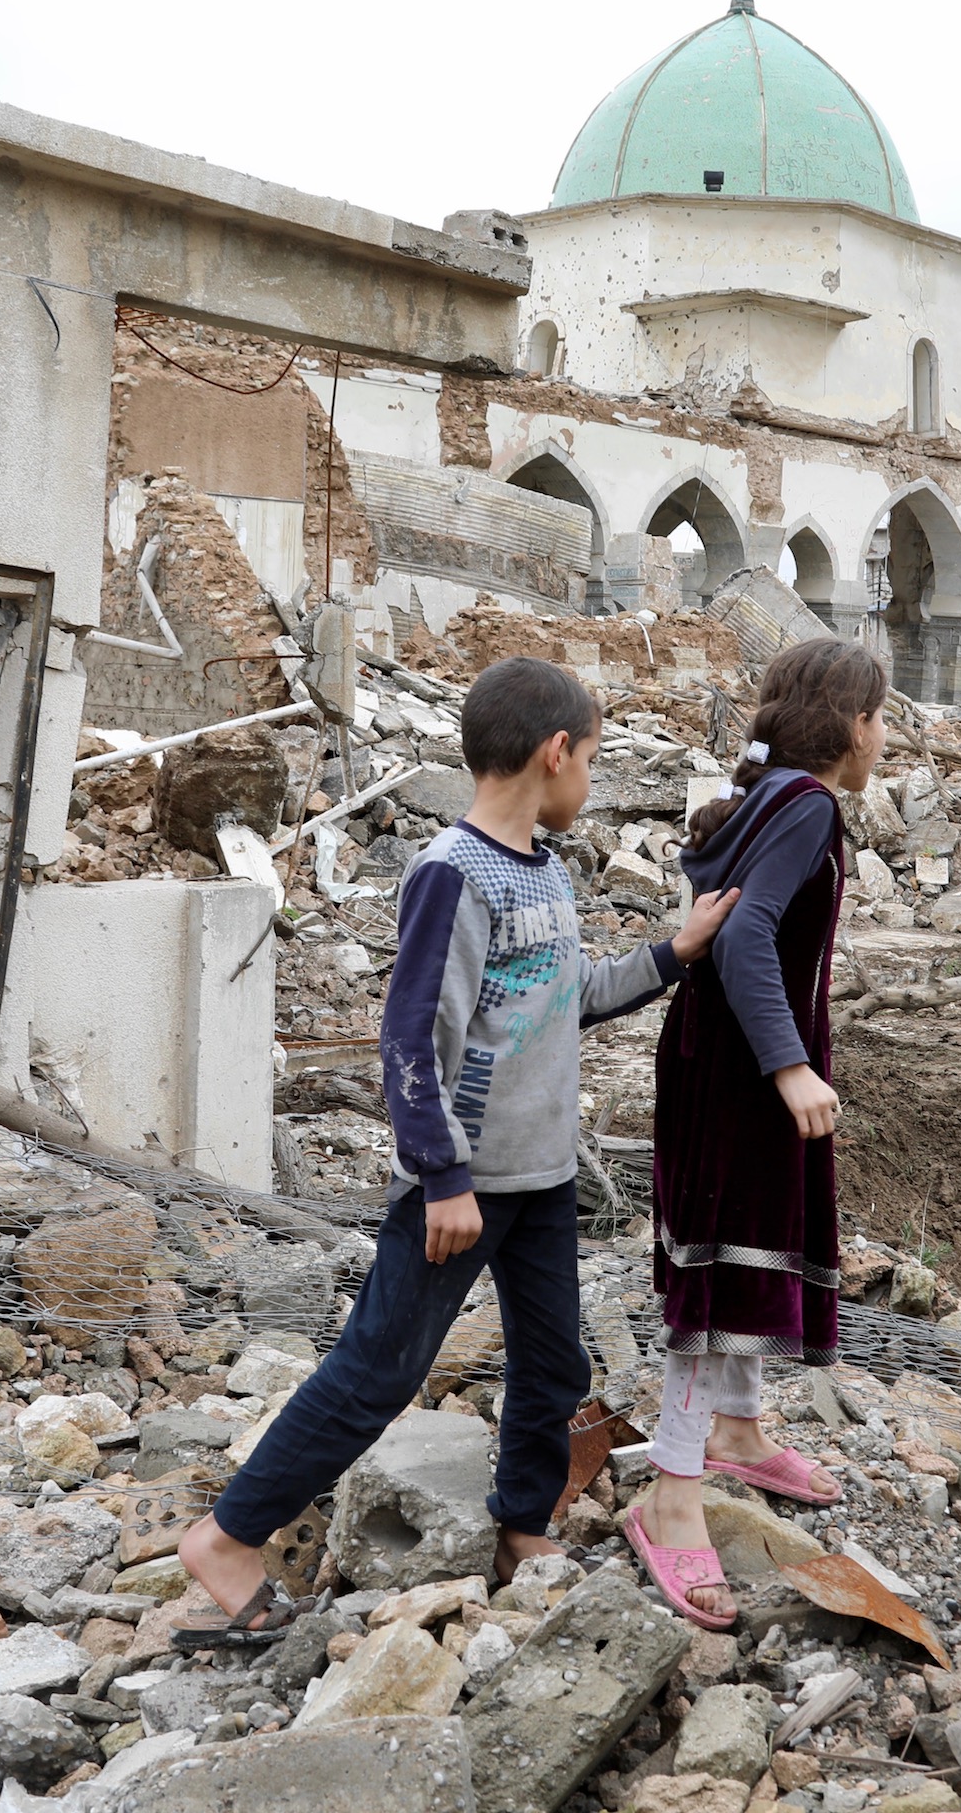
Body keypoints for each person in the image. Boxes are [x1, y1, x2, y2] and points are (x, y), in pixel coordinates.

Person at [176, 655, 739, 1641]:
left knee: (554, 1360)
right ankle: (227, 1537)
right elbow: (408, 1035)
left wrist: (673, 953)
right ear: (556, 751)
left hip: (542, 1179)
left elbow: (575, 997)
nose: (591, 779)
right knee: (381, 1367)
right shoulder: (451, 872)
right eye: (592, 758)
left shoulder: (546, 869)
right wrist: (441, 1175)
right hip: (463, 1186)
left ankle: (522, 1523)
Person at [627, 637, 889, 1628]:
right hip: (743, 1073)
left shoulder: (770, 794)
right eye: (881, 716)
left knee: (735, 1255)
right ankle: (673, 1493)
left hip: (713, 1056)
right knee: (717, 1278)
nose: (884, 734)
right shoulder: (810, 805)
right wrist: (790, 1067)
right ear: (852, 724)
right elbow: (742, 935)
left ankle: (737, 1431)